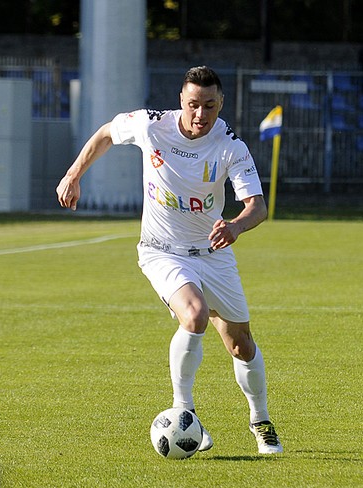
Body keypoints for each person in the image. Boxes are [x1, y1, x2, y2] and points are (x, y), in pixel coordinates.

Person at [56, 66, 283, 455]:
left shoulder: (231, 146)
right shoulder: (151, 126)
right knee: (193, 315)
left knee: (241, 345)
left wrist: (236, 227)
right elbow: (108, 132)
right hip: (162, 250)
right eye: (193, 104)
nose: (200, 114)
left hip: (214, 253)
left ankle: (260, 421)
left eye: (209, 106)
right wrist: (74, 174)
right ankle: (184, 414)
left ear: (220, 104)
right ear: (181, 100)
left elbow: (257, 207)